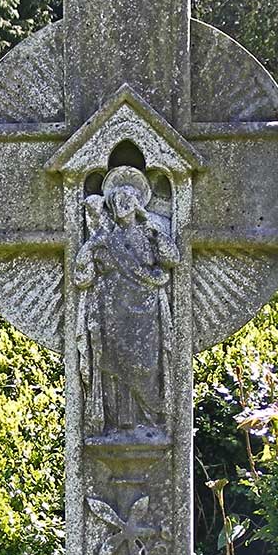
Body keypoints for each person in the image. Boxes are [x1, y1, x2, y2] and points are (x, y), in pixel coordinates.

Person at [74, 166, 179, 435]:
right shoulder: (107, 237)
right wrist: (90, 247)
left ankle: (153, 419)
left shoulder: (150, 230)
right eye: (116, 200)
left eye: (127, 199)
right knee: (115, 366)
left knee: (146, 364)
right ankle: (122, 423)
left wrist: (153, 228)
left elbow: (172, 259)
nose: (120, 204)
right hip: (114, 309)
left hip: (147, 310)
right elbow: (86, 271)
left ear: (136, 202)